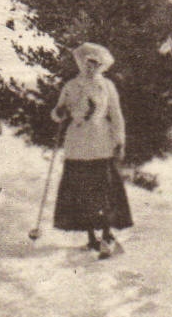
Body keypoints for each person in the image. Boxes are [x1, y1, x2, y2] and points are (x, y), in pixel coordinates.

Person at [51, 42, 132, 258]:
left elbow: (116, 115)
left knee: (103, 189)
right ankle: (90, 237)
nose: (91, 67)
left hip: (100, 142)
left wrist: (119, 141)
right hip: (77, 144)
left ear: (101, 65)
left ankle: (106, 234)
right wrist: (60, 112)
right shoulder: (71, 86)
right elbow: (58, 112)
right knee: (81, 191)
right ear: (81, 63)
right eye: (88, 63)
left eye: (96, 64)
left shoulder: (107, 86)